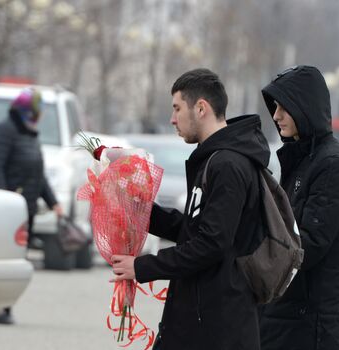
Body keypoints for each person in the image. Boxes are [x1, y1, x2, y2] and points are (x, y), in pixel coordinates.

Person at [111, 68, 271, 350]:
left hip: (218, 325)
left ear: (201, 108)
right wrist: (139, 209)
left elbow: (212, 244)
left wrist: (142, 266)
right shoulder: (213, 159)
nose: (172, 119)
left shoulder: (229, 165)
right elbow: (193, 229)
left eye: (177, 108)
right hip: (199, 318)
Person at [258, 65, 339, 350]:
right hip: (283, 312)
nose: (276, 115)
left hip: (309, 321)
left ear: (305, 107)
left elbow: (309, 244)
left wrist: (255, 251)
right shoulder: (303, 158)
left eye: (283, 107)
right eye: (274, 107)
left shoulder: (332, 164)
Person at [0, 87, 63, 325]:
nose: (42, 115)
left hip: (24, 212)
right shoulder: (4, 131)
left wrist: (54, 202)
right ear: (29, 110)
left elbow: (39, 175)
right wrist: (5, 203)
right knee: (2, 260)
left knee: (17, 260)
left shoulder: (30, 134)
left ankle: (4, 305)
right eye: (40, 110)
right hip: (6, 211)